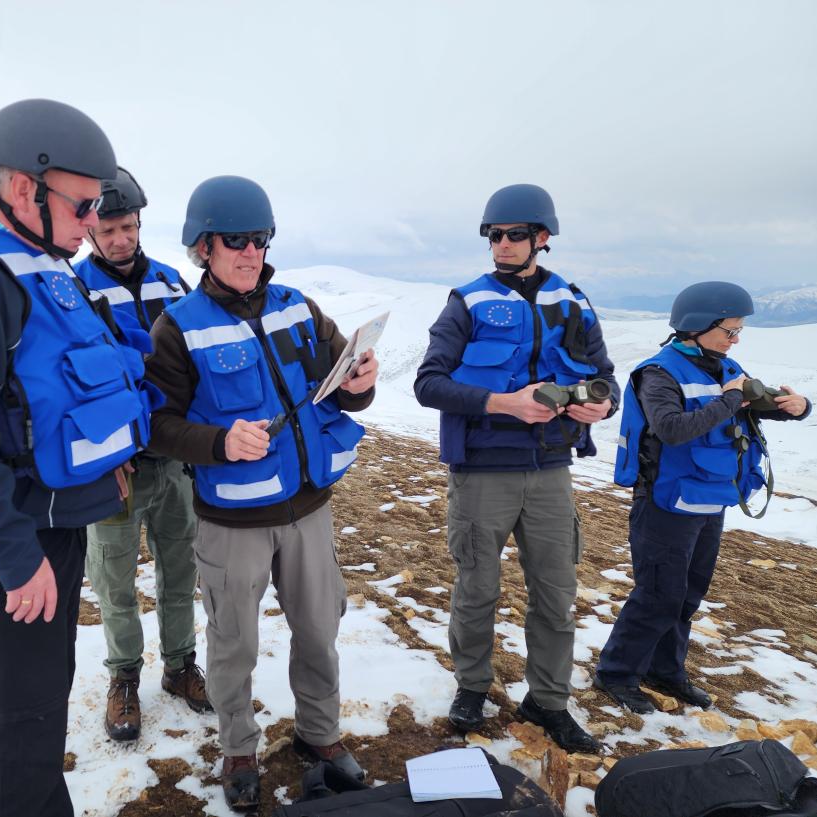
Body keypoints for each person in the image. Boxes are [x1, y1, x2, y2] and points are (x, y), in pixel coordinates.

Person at [0, 98, 160, 817]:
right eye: (81, 206)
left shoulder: (43, 264)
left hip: (44, 531)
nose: (91, 224)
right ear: (22, 189)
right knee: (22, 741)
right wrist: (14, 554)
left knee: (37, 726)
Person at [144, 175, 379, 811]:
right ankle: (240, 748)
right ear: (202, 248)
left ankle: (320, 737)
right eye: (235, 240)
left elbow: (343, 387)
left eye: (260, 239)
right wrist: (220, 443)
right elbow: (158, 426)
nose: (251, 251)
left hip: (309, 510)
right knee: (234, 643)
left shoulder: (299, 307)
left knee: (317, 629)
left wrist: (361, 381)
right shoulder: (179, 328)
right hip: (232, 523)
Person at [414, 184, 617, 754]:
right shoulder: (468, 301)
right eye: (493, 236)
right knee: (477, 589)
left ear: (542, 239)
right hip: (482, 472)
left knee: (556, 593)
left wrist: (603, 404)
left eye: (514, 235)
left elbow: (607, 377)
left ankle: (548, 701)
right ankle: (472, 687)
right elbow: (429, 382)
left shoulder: (573, 301)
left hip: (552, 471)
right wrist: (504, 403)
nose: (501, 244)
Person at [595, 282, 810, 713]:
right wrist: (731, 398)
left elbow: (757, 406)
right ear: (696, 327)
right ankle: (616, 673)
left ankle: (665, 670)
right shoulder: (658, 373)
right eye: (730, 330)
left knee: (688, 594)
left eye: (739, 330)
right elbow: (672, 428)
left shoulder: (723, 366)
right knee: (658, 595)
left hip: (709, 501)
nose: (736, 338)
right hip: (665, 503)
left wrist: (799, 406)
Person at [72, 167, 208, 742]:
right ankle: (124, 678)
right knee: (114, 581)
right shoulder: (72, 289)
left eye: (128, 226)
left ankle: (180, 666)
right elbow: (72, 381)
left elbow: (197, 368)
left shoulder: (174, 284)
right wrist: (104, 454)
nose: (121, 239)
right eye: (109, 229)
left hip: (173, 462)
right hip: (116, 469)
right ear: (89, 232)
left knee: (181, 572)